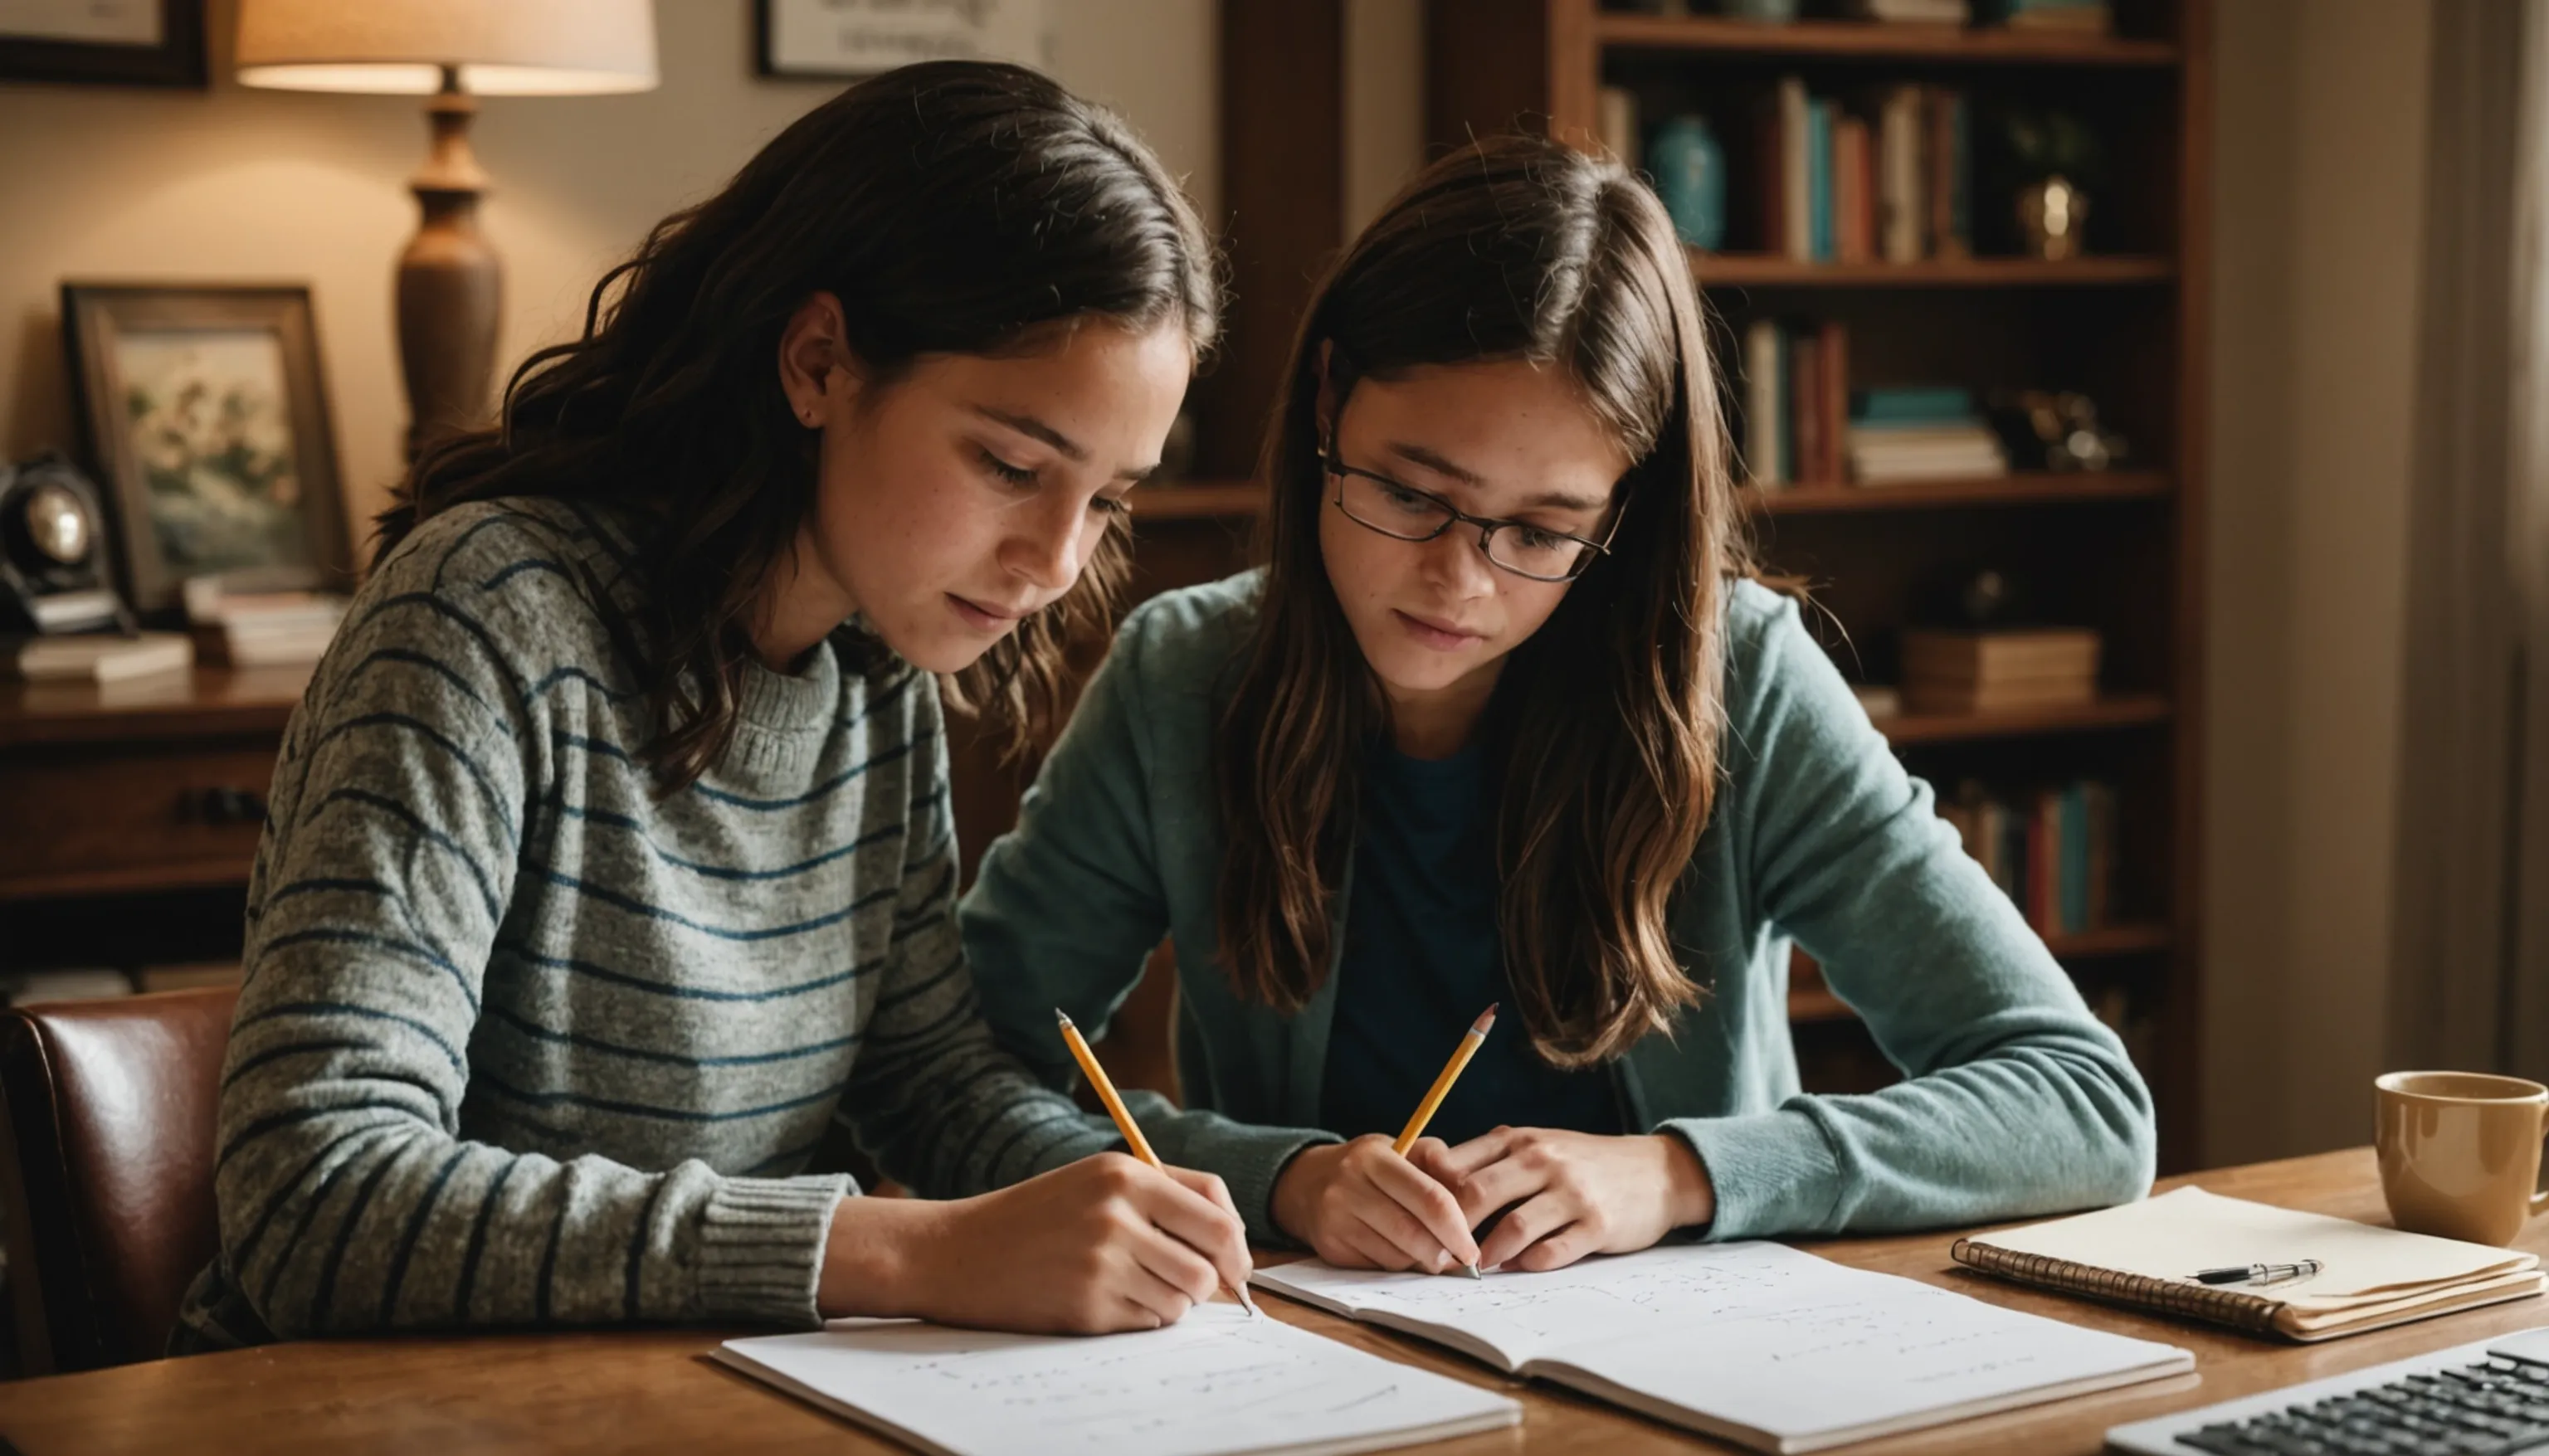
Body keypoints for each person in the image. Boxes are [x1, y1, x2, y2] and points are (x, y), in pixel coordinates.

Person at [175, 61, 1251, 1351]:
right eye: (1012, 464)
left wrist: (1125, 1203)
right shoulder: (486, 615)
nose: (1059, 561)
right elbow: (314, 1198)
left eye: (1109, 501)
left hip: (691, 1397)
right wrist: (905, 1246)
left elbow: (926, 1076)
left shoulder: (874, 671)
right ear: (817, 362)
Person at [958, 134, 2156, 1278]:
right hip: (1313, 1368)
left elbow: (2081, 1102)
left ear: (1621, 514)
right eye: (1413, 494)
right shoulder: (1183, 680)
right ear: (1329, 402)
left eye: (1540, 531)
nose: (1459, 580)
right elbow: (961, 1071)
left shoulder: (1742, 683)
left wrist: (1681, 1174)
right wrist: (1281, 1180)